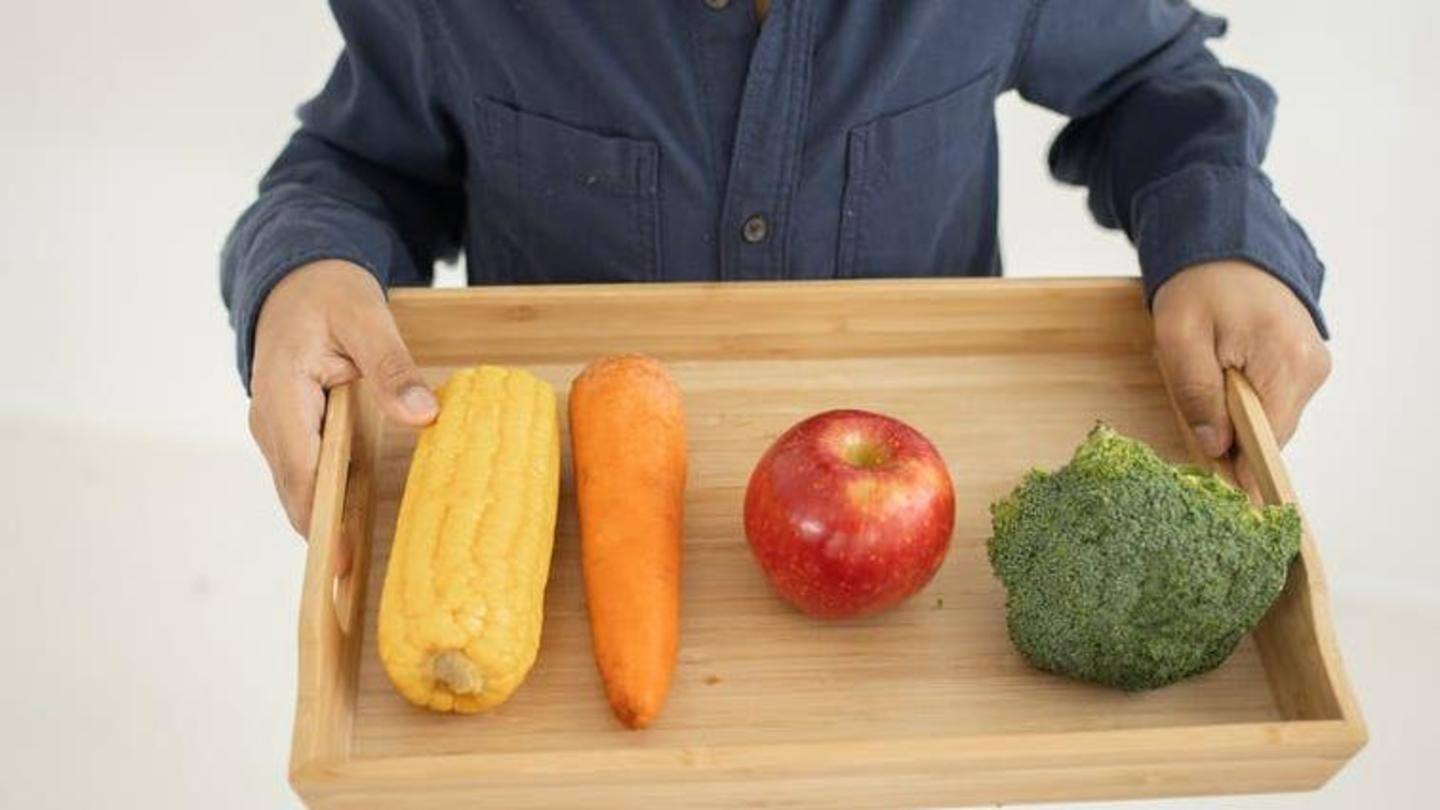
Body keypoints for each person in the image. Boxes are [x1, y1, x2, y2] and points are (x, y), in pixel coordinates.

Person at [224, 1, 1331, 533]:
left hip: (928, 560)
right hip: (568, 533)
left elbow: (1153, 83)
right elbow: (356, 167)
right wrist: (305, 270)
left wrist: (1221, 234)